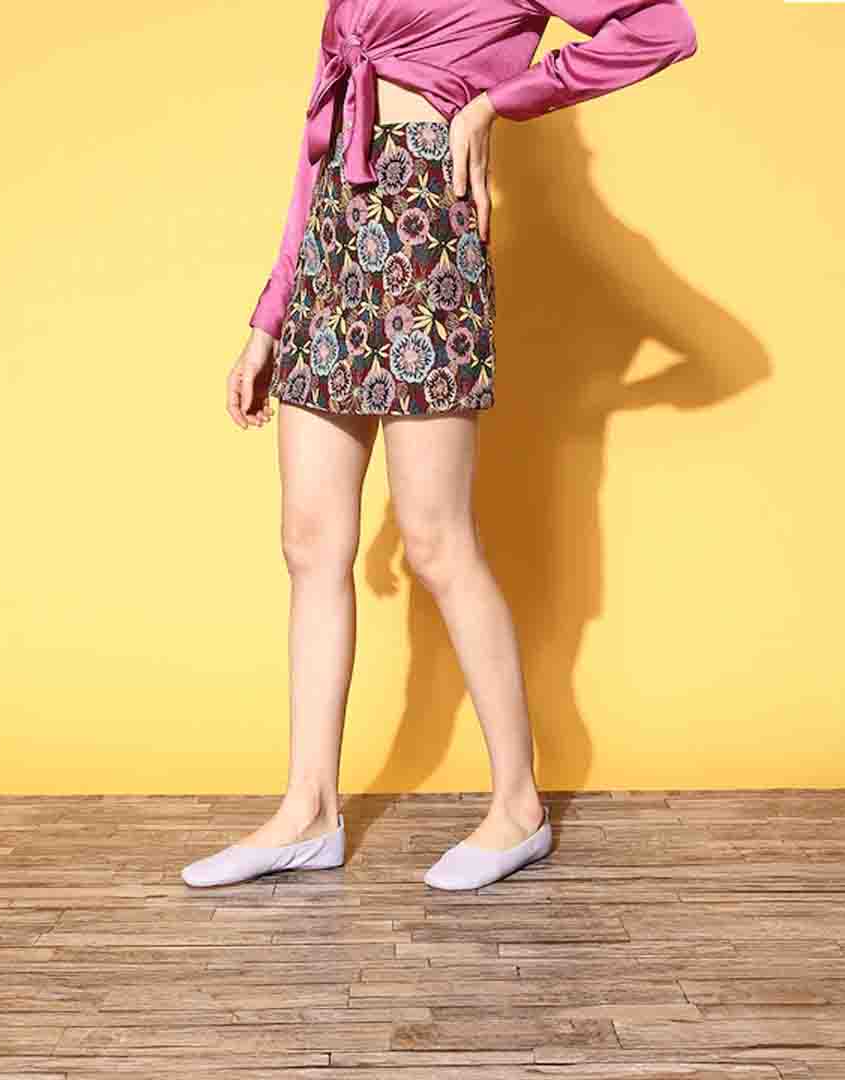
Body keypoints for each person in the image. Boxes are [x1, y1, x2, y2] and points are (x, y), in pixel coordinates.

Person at [184, 0, 698, 891]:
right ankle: (308, 813)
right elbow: (314, 153)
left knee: (435, 539)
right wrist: (267, 321)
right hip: (332, 245)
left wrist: (496, 102)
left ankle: (520, 807)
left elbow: (664, 30)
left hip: (427, 232)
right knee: (309, 540)